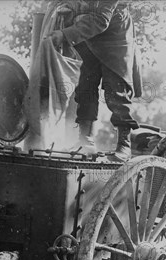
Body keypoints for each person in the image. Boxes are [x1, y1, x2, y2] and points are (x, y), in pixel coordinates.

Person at [46, 0, 142, 161]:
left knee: (116, 90)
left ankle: (124, 144)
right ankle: (85, 140)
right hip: (87, 36)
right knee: (85, 86)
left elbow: (101, 20)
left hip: (115, 37)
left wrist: (65, 34)